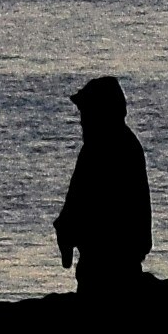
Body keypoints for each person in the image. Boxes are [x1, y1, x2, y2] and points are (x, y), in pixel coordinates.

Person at [55, 75, 153, 290]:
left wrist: (65, 231)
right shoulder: (126, 145)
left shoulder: (98, 150)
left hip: (103, 269)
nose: (82, 121)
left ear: (100, 112)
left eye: (86, 112)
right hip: (123, 266)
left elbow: (76, 205)